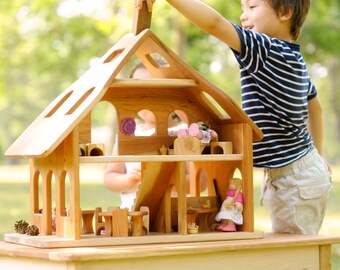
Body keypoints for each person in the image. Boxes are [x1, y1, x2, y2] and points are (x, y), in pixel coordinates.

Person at [136, 0, 332, 234]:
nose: (243, 16)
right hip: (298, 171)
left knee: (294, 253)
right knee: (291, 249)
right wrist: (318, 155)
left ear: (285, 12)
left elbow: (215, 24)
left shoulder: (266, 50)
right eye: (242, 8)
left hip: (295, 179)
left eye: (252, 7)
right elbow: (315, 105)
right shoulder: (290, 57)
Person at [104, 62, 191, 210]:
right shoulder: (128, 135)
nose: (150, 98)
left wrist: (165, 179)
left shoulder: (185, 134)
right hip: (133, 216)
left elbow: (200, 182)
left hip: (174, 217)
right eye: (141, 91)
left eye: (158, 90)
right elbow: (110, 177)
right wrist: (129, 179)